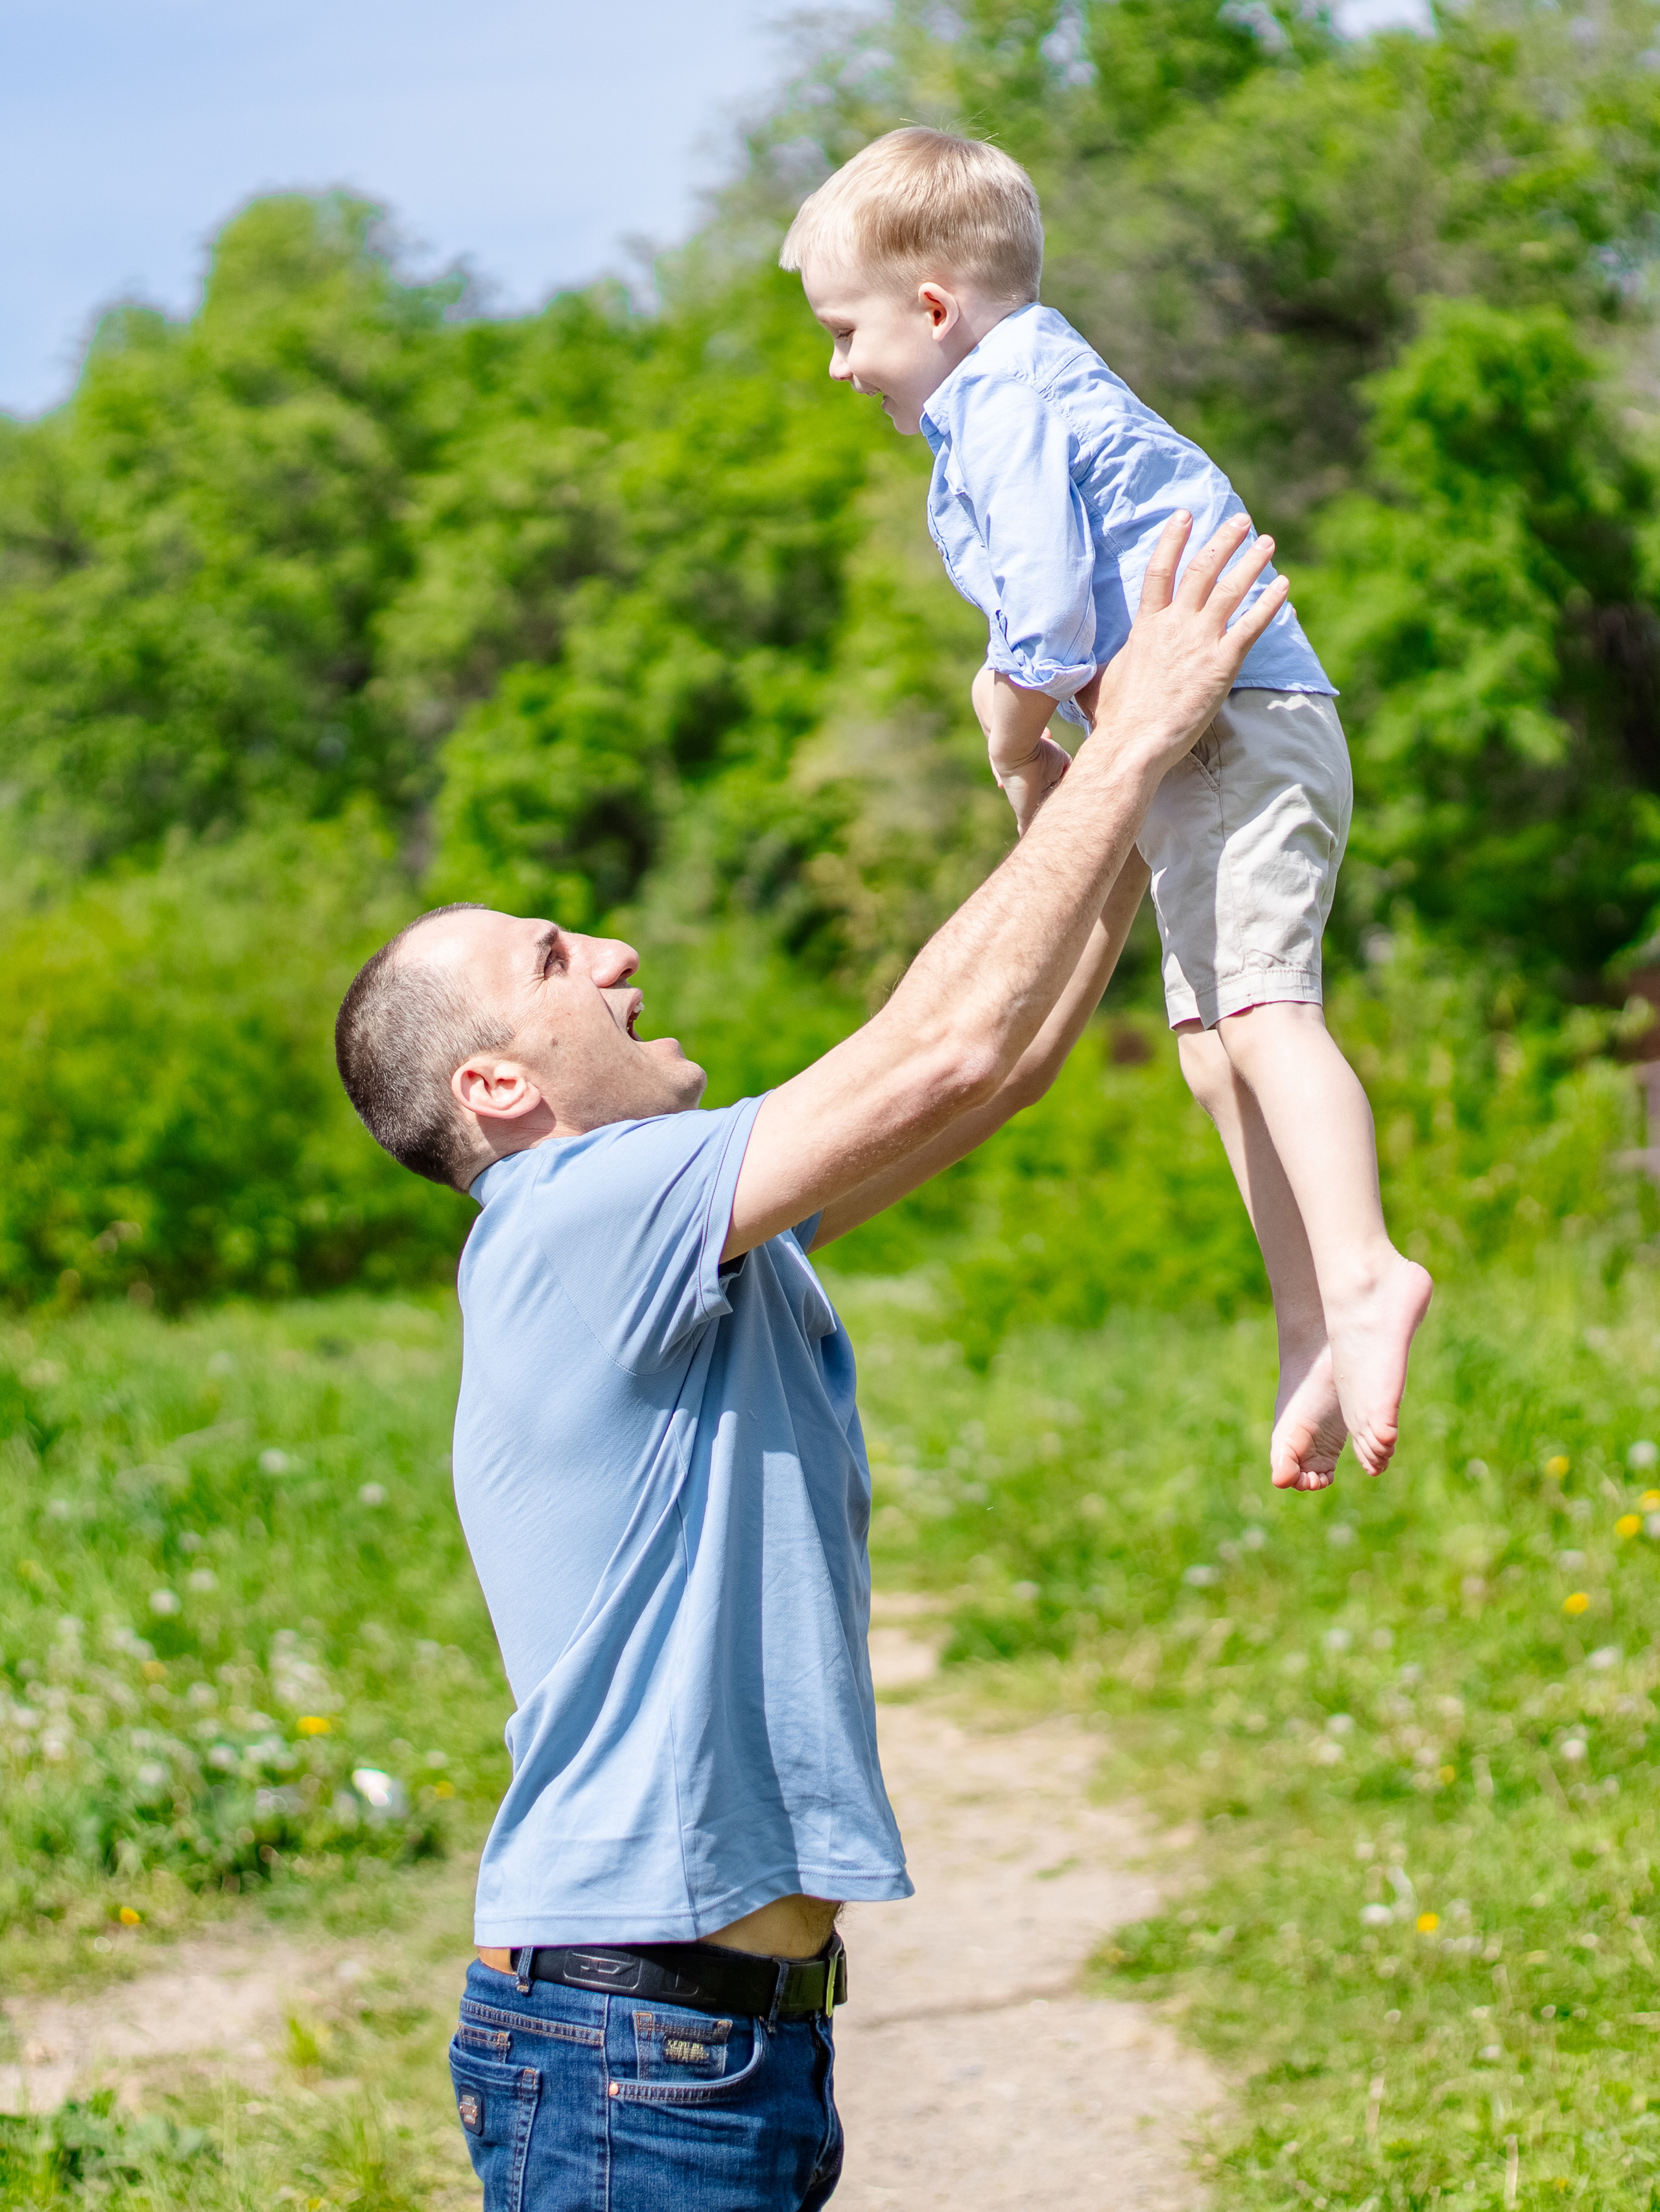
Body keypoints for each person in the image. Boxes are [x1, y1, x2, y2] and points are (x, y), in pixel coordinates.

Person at [333, 515, 1283, 2211]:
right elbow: (938, 1043)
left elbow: (998, 1074)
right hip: (636, 2050)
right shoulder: (573, 1215)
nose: (615, 953)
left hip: (707, 2043)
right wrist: (1134, 730)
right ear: (495, 1089)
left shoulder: (672, 1234)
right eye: (557, 959)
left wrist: (1131, 811)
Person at [779, 126, 1432, 1497]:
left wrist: (1009, 718)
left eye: (846, 331)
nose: (839, 365)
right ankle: (1307, 1315)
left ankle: (1366, 1271)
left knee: (1263, 1014)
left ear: (934, 308)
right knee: (1206, 1048)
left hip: (1245, 724)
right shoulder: (999, 398)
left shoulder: (1004, 397)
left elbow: (1047, 604)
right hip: (1193, 748)